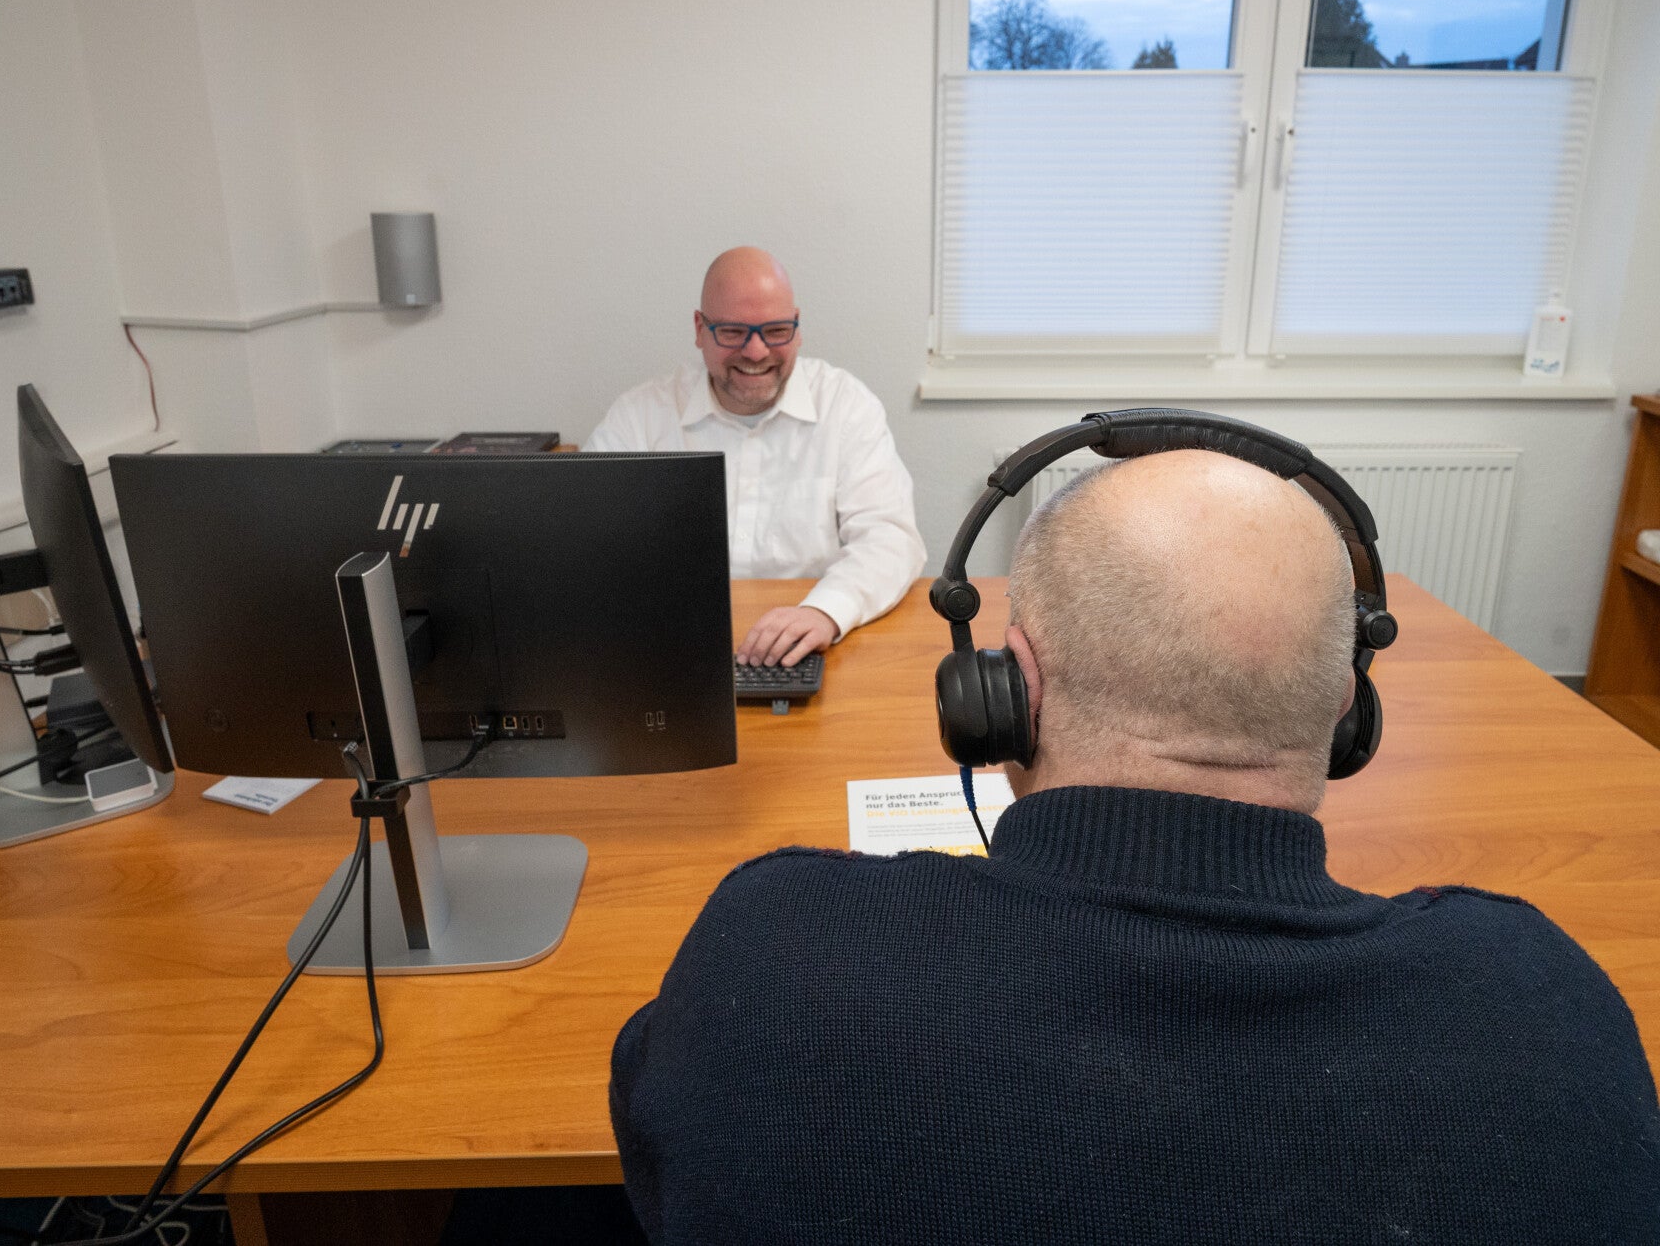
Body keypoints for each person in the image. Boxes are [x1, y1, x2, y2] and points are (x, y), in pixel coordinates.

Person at [608, 449, 1660, 1244]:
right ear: (1346, 708)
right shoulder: (1550, 1013)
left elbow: (652, 1131)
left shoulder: (772, 954)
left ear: (1006, 693)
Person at [586, 247, 923, 667]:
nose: (757, 351)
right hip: (667, 647)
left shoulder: (846, 406)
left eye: (776, 330)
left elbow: (890, 538)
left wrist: (825, 611)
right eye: (732, 332)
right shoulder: (639, 417)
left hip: (809, 648)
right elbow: (583, 537)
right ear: (700, 329)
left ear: (797, 328)